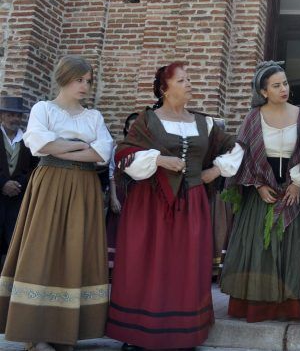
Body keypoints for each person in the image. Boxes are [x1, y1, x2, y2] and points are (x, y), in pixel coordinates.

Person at [106, 62, 243, 349]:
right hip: (150, 204)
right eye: (182, 80)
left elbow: (236, 147)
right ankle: (138, 332)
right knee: (146, 263)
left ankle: (184, 332)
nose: (189, 84)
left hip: (191, 202)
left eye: (189, 79)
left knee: (186, 264)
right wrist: (158, 159)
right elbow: (123, 154)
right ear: (165, 89)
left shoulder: (205, 123)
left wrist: (215, 171)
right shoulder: (147, 120)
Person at [0, 55, 114, 351]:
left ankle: (65, 331)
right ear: (64, 77)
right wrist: (81, 146)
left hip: (84, 187)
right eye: (80, 80)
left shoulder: (94, 117)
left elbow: (103, 152)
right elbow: (39, 143)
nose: (85, 86)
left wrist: (64, 146)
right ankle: (33, 328)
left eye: (89, 81)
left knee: (76, 250)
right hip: (50, 183)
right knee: (42, 248)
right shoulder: (44, 108)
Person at [221, 61, 300, 322]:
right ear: (263, 91)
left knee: (294, 248)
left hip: (294, 190)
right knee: (260, 249)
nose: (283, 89)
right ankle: (258, 305)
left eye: (285, 83)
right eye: (276, 86)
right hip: (262, 191)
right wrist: (258, 185)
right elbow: (242, 155)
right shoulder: (253, 117)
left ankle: (291, 306)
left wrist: (299, 183)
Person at [0, 97, 37, 261]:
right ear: (2, 116)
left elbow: (34, 168)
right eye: (10, 115)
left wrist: (19, 184)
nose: (15, 119)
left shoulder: (28, 141)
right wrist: (3, 183)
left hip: (17, 196)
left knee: (12, 237)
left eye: (18, 116)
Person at [105, 112, 138, 271]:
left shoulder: (148, 150)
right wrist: (113, 198)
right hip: (119, 192)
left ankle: (131, 266)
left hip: (138, 194)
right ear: (126, 127)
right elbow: (111, 172)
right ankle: (112, 268)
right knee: (116, 227)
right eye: (131, 126)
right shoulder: (118, 148)